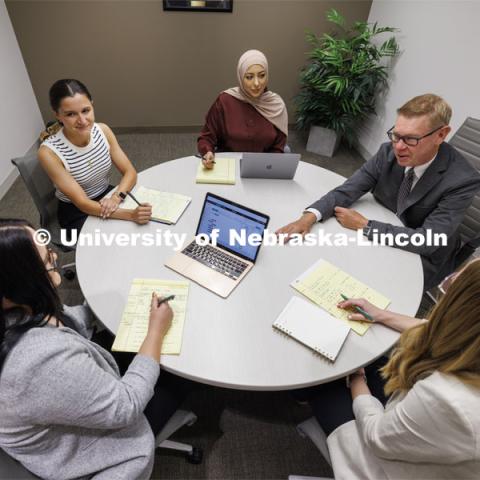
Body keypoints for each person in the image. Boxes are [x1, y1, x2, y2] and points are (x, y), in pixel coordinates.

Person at [0, 219, 188, 479]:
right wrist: (155, 330)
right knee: (180, 372)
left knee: (134, 344)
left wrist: (116, 295)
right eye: (46, 260)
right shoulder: (40, 363)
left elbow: (64, 320)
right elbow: (126, 406)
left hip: (66, 395)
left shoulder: (20, 309)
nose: (54, 257)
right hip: (98, 450)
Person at [277, 94, 480, 290]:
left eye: (410, 139)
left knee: (371, 290)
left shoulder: (462, 180)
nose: (399, 147)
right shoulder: (387, 152)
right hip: (383, 231)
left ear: (441, 135)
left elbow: (428, 241)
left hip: (421, 258)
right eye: (396, 136)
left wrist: (366, 226)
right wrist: (309, 217)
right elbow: (348, 190)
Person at [308, 259, 480, 479]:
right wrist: (380, 314)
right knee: (377, 362)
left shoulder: (448, 400)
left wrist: (356, 378)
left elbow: (376, 437)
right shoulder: (472, 346)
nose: (450, 280)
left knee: (325, 381)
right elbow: (434, 328)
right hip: (432, 432)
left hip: (388, 465)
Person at [38, 79, 152, 239]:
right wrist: (131, 215)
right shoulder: (49, 152)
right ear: (57, 115)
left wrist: (116, 197)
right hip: (76, 211)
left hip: (107, 195)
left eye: (86, 110)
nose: (82, 120)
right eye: (71, 114)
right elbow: (82, 203)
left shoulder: (103, 130)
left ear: (92, 104)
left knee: (146, 228)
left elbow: (130, 172)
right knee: (121, 238)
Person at [197, 49, 288, 169]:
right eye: (249, 77)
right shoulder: (225, 101)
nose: (256, 83)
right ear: (240, 77)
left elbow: (278, 147)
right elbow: (206, 137)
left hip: (263, 169)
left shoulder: (276, 105)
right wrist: (207, 152)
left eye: (261, 75)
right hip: (228, 167)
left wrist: (265, 168)